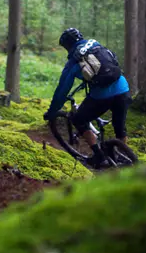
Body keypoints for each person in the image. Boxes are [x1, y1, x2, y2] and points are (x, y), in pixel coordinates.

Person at [43, 28, 132, 169]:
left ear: (67, 46)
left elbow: (62, 90)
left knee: (78, 119)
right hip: (123, 88)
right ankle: (126, 157)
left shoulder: (73, 61)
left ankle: (99, 156)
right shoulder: (96, 45)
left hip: (102, 96)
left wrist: (53, 111)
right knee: (119, 127)